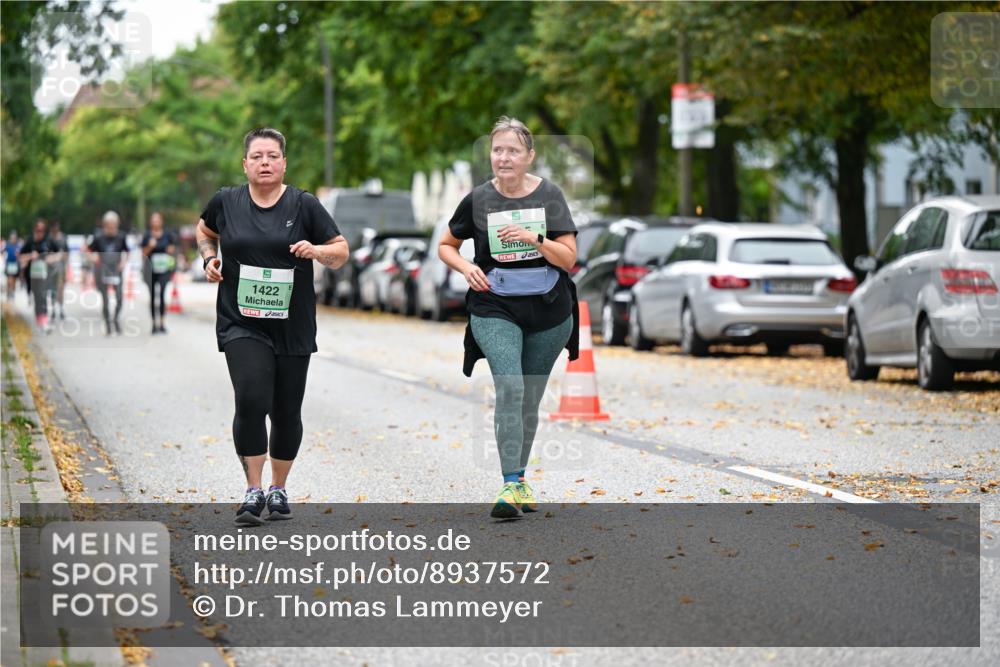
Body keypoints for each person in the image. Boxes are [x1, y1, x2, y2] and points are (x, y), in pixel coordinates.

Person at [195, 127, 349, 526]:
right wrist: (209, 258)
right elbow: (204, 230)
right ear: (245, 164)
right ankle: (253, 488)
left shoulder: (304, 205)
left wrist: (316, 250)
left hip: (292, 324)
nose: (265, 163)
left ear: (284, 163)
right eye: (257, 156)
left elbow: (341, 250)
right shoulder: (226, 201)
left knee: (286, 410)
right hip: (241, 321)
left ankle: (278, 487)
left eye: (272, 156)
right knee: (251, 398)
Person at [438, 116, 580, 519]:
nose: (504, 157)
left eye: (513, 150)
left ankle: (520, 480)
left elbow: (569, 259)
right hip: (494, 305)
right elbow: (446, 245)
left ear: (529, 155)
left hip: (549, 309)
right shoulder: (478, 199)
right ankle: (510, 483)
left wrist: (535, 238)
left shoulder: (550, 195)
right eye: (497, 150)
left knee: (529, 397)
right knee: (511, 387)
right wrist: (466, 267)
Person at [88, 211, 129, 335]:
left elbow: (127, 251)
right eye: (109, 225)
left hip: (116, 270)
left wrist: (123, 262)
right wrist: (93, 257)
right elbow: (87, 250)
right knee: (105, 300)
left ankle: (115, 319)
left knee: (119, 298)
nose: (111, 228)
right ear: (105, 225)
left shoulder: (121, 237)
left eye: (114, 225)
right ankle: (107, 324)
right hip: (102, 270)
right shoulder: (99, 237)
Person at [140, 211, 176, 334]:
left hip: (164, 269)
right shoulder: (147, 236)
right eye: (153, 221)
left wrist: (170, 250)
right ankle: (153, 324)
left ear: (161, 222)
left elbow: (172, 248)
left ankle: (162, 323)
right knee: (152, 297)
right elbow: (143, 253)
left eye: (157, 220)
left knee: (161, 295)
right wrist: (150, 246)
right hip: (150, 270)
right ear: (151, 222)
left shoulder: (167, 234)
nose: (155, 223)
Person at [18, 219, 56, 332]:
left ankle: (44, 320)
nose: (40, 232)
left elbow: (59, 254)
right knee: (37, 297)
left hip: (45, 274)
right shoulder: (30, 241)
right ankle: (39, 319)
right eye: (38, 230)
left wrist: (49, 258)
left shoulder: (49, 240)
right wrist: (31, 256)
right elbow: (20, 257)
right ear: (34, 230)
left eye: (42, 230)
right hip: (32, 275)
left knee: (43, 296)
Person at [46, 220, 68, 320]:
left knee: (60, 289)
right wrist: (57, 256)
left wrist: (66, 266)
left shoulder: (63, 238)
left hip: (61, 268)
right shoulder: (48, 239)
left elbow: (66, 254)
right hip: (51, 268)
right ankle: (53, 309)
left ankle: (61, 308)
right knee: (52, 290)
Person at [3, 231, 20, 301]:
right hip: (9, 264)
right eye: (12, 238)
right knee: (9, 279)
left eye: (14, 238)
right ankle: (8, 292)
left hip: (15, 264)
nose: (13, 239)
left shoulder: (18, 246)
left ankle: (12, 292)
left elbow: (20, 254)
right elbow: (3, 252)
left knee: (14, 280)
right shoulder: (8, 245)